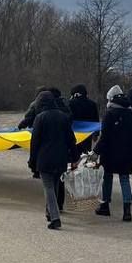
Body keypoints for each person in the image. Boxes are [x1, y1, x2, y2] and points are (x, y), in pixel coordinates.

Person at [29, 91, 77, 230]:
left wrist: (32, 160)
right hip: (61, 157)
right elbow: (71, 139)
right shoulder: (63, 117)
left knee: (48, 187)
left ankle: (55, 217)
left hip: (45, 157)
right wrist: (75, 158)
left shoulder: (40, 117)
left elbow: (35, 141)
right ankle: (50, 212)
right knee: (55, 184)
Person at [92, 85, 132, 221]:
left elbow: (104, 137)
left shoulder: (110, 114)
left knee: (108, 177)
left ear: (111, 99)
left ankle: (105, 205)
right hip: (127, 151)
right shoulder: (131, 113)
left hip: (110, 152)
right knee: (124, 179)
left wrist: (95, 152)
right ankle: (127, 211)